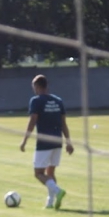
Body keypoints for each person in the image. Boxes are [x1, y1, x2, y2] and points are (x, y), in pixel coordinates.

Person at [19, 75, 73, 209]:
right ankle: (50, 203)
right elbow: (63, 123)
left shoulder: (36, 101)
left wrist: (24, 141)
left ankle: (58, 191)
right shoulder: (58, 101)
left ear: (37, 86)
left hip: (44, 142)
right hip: (57, 141)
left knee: (38, 173)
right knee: (50, 173)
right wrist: (68, 142)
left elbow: (32, 121)